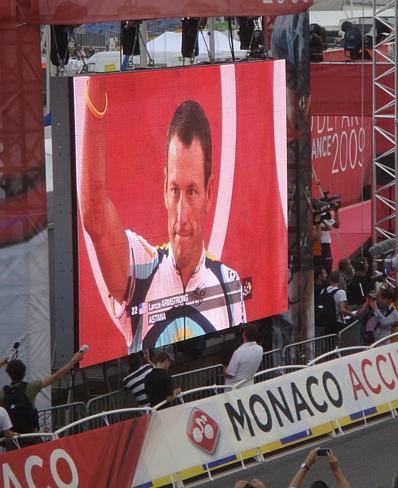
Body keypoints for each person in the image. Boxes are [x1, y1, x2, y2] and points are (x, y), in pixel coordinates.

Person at [79, 91, 247, 353]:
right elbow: (95, 216)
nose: (181, 216)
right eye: (174, 190)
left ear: (209, 193)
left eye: (192, 192)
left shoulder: (228, 282)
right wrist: (96, 92)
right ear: (164, 188)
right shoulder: (144, 267)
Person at [1, 350, 86, 436]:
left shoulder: (3, 393)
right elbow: (56, 376)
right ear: (24, 372)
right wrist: (74, 360)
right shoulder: (31, 387)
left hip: (12, 439)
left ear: (8, 373)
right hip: (31, 436)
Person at [225, 324, 264, 388]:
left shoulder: (239, 352)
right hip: (249, 385)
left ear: (244, 335)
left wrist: (223, 370)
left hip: (234, 389)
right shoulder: (260, 349)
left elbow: (230, 374)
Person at [320, 205, 341, 274]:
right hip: (319, 244)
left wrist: (336, 211)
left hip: (326, 243)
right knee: (321, 266)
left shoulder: (325, 215)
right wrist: (321, 219)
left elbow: (337, 225)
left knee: (328, 265)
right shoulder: (316, 217)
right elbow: (328, 228)